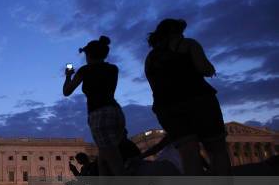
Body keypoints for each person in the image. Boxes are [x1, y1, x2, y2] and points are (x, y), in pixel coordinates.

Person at [145, 19, 231, 175]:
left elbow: (154, 87)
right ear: (178, 31)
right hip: (198, 100)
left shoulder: (150, 58)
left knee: (188, 155)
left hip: (167, 108)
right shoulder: (189, 44)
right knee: (217, 150)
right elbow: (205, 69)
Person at [63, 36, 126, 175]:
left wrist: (68, 76)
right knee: (103, 158)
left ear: (88, 54)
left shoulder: (85, 70)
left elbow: (67, 91)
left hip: (99, 114)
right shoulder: (113, 69)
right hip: (116, 112)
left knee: (113, 159)